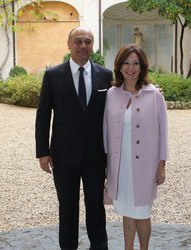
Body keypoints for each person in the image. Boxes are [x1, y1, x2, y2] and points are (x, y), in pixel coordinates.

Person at [35, 26, 112, 250]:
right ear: (69, 44)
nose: (83, 46)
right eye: (78, 41)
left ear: (92, 45)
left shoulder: (105, 76)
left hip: (96, 155)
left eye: (87, 41)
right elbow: (43, 115)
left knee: (96, 206)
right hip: (63, 154)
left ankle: (99, 246)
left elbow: (115, 111)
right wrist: (42, 152)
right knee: (67, 207)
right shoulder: (53, 75)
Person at [103, 44, 168, 250]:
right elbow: (105, 130)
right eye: (126, 63)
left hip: (146, 165)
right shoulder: (111, 94)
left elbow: (163, 133)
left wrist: (162, 165)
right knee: (127, 210)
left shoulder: (154, 95)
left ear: (142, 67)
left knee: (142, 212)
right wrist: (107, 166)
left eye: (135, 63)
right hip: (120, 163)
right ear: (119, 66)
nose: (130, 68)